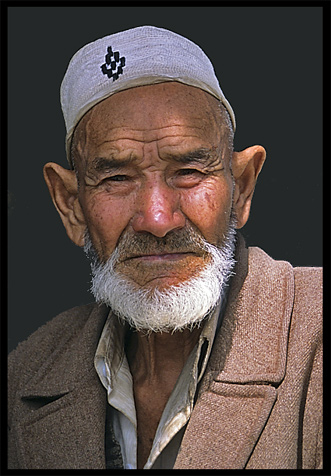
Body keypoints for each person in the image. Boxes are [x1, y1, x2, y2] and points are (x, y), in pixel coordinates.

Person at [7, 26, 322, 470]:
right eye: (116, 179)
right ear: (71, 205)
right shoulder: (26, 373)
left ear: (243, 188)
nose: (157, 219)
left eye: (189, 171)